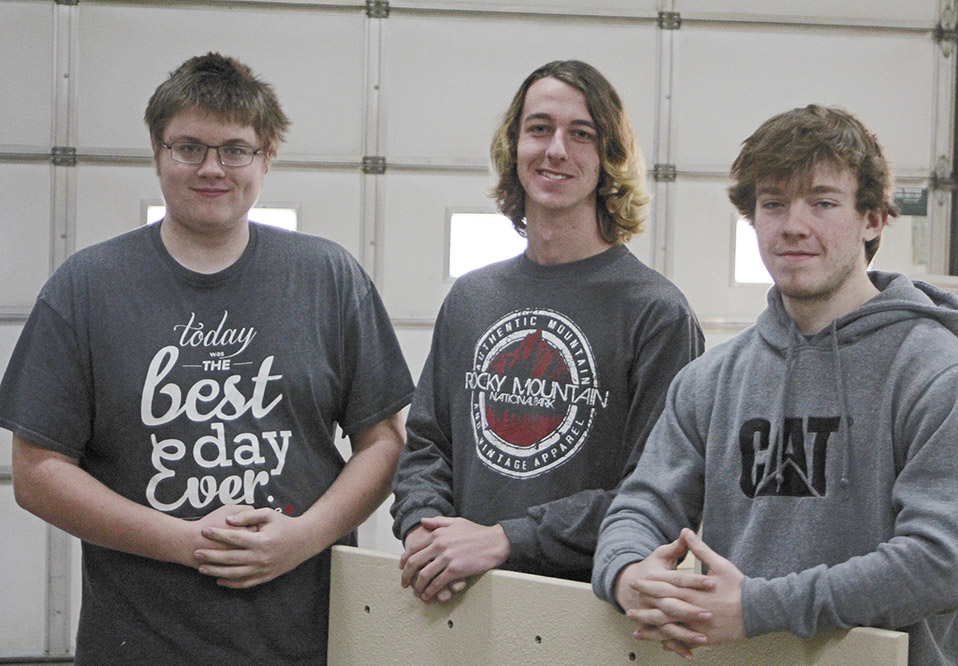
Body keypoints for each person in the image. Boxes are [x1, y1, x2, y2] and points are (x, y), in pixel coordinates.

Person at [0, 53, 414, 665]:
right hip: (137, 642)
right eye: (188, 147)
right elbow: (36, 473)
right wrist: (187, 542)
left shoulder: (328, 278)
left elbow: (384, 443)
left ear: (267, 155)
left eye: (235, 149)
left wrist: (301, 538)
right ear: (157, 151)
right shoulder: (86, 286)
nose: (212, 168)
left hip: (302, 639)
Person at [592, 104, 958, 665]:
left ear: (874, 219)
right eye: (773, 203)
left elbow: (936, 565)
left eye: (823, 203)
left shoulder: (935, 373)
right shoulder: (709, 381)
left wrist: (758, 607)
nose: (792, 225)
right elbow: (639, 507)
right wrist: (627, 571)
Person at [390, 60, 704, 604]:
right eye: (539, 129)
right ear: (514, 146)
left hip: (587, 613)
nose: (556, 149)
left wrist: (505, 539)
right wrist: (423, 527)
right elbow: (426, 443)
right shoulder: (471, 299)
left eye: (581, 134)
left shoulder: (657, 314)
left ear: (610, 159)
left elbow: (658, 493)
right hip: (459, 599)